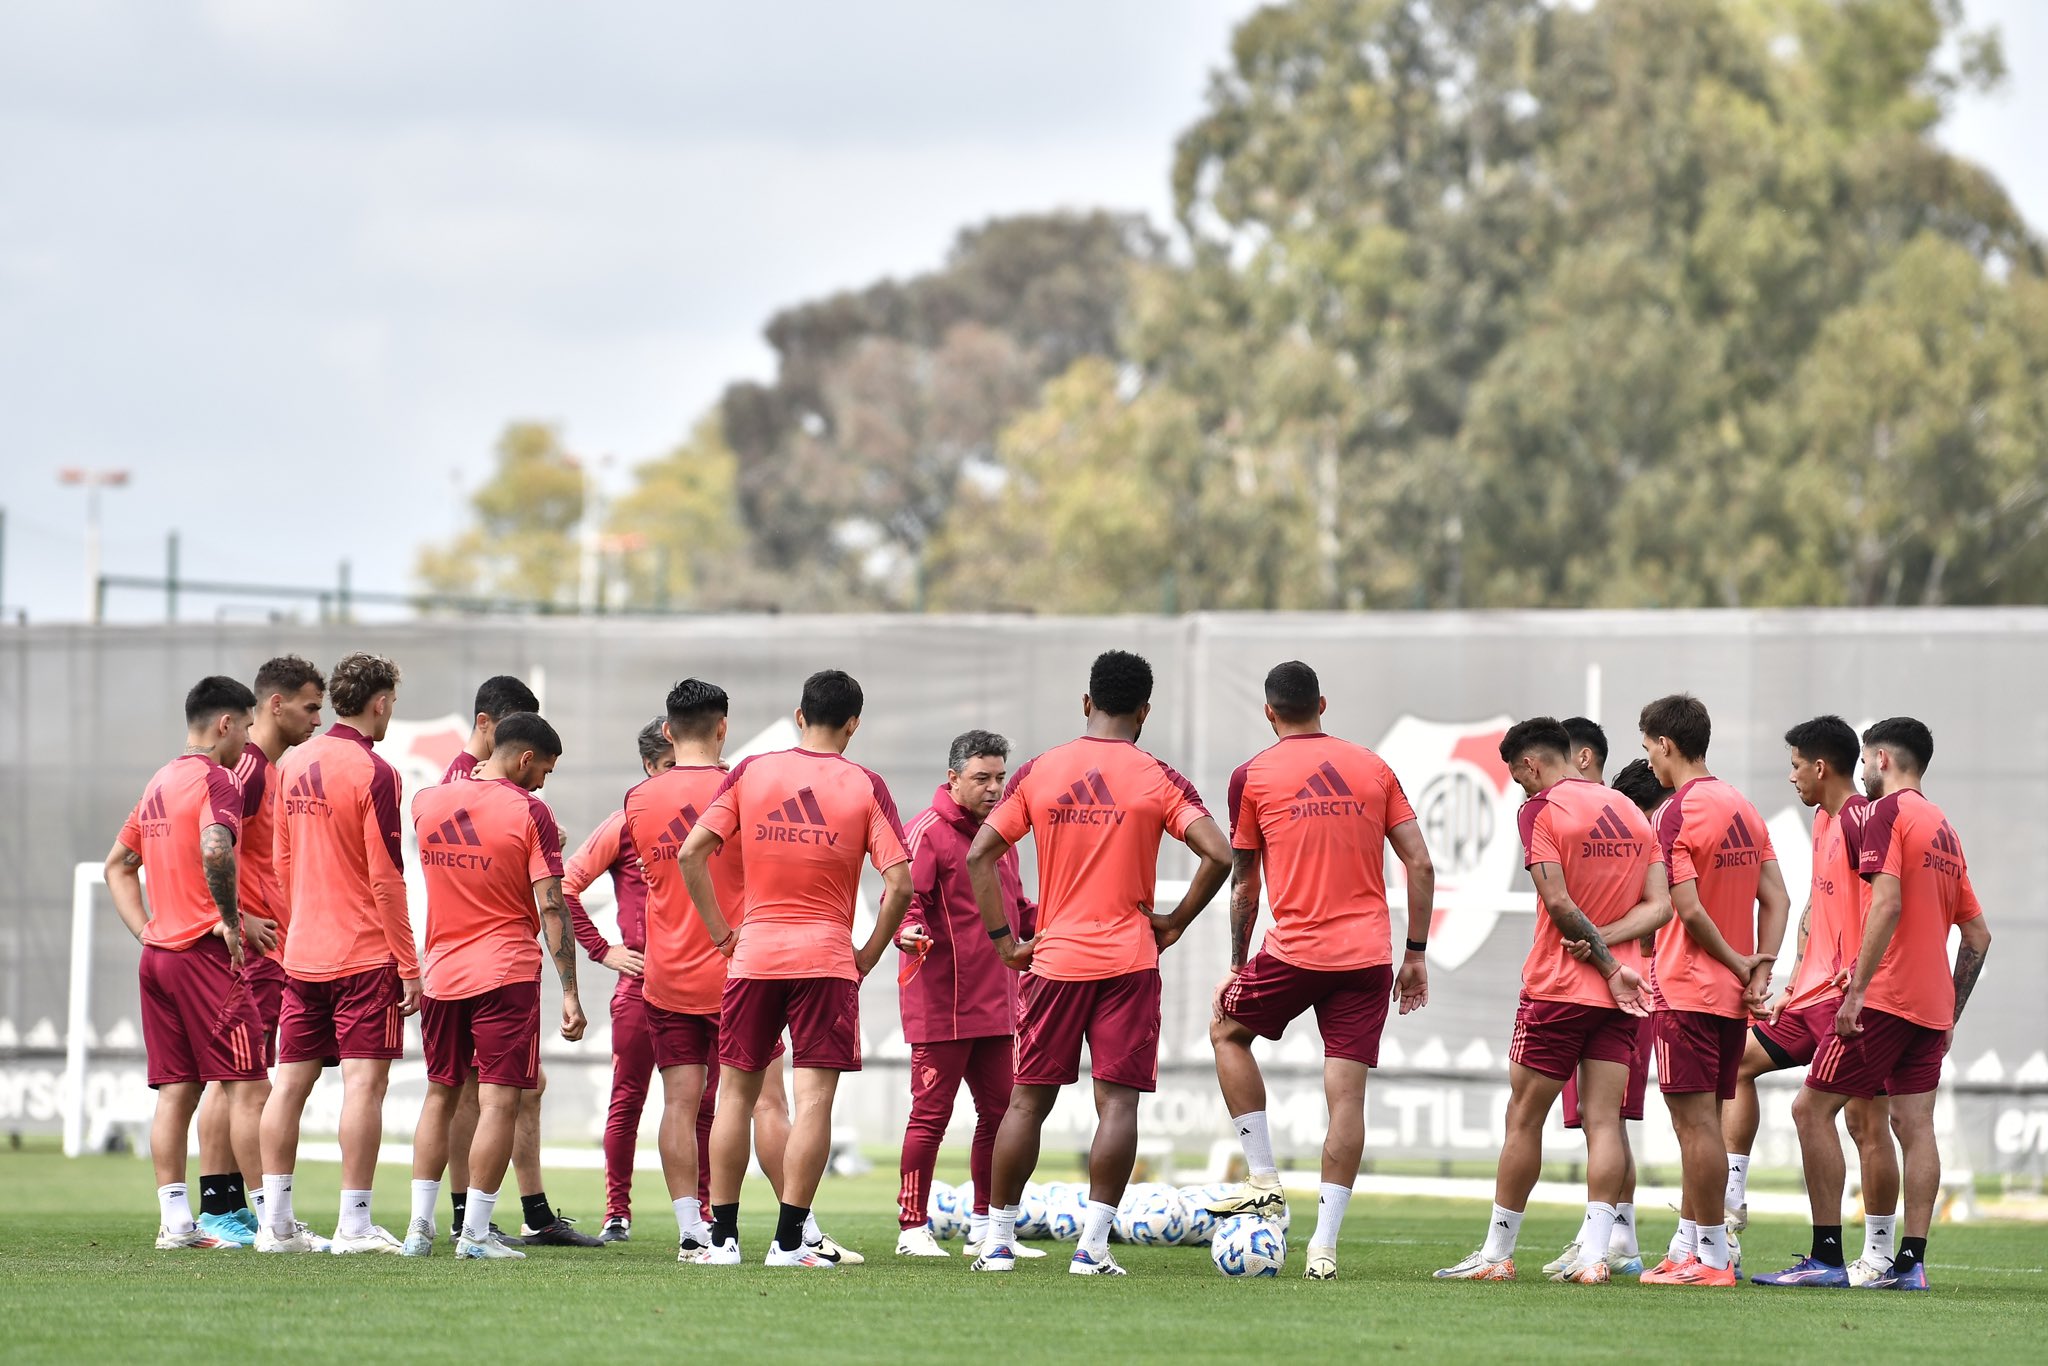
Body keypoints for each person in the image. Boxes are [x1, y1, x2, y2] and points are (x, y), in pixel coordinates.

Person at [967, 649, 1232, 1276]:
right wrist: (1174, 921)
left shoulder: (1041, 771)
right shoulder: (1156, 776)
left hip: (1054, 961)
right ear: (1144, 711)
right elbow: (1219, 854)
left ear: (1087, 703)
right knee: (1117, 1106)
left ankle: (998, 1242)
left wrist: (1006, 942)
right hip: (1128, 961)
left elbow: (981, 854)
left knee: (1026, 1105)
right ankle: (1092, 1249)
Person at [1205, 661, 1434, 1281]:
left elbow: (1245, 882)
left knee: (1227, 1031)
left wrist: (1235, 966)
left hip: (1295, 952)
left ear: (1270, 712)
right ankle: (1324, 1249)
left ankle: (1265, 1181)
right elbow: (1420, 863)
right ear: (1323, 704)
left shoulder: (1251, 775)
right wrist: (1415, 953)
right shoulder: (1373, 767)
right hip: (1367, 957)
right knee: (1347, 1098)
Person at [680, 669, 913, 1267]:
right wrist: (868, 952)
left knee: (733, 1097)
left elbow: (692, 853)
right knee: (812, 1105)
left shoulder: (753, 771)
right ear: (854, 724)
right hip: (827, 960)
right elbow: (900, 882)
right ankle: (789, 1244)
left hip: (754, 956)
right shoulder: (865, 785)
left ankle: (723, 1241)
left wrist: (722, 934)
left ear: (799, 715)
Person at [1434, 718, 1669, 1283]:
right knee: (1606, 1123)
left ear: (1531, 765)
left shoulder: (1541, 810)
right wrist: (1614, 957)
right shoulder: (1633, 812)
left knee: (1523, 1117)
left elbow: (1560, 903)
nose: (1520, 787)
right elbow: (1659, 907)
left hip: (1559, 990)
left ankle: (1496, 1254)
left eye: (1518, 776)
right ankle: (1593, 1256)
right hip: (1622, 995)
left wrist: (1601, 961)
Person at [1789, 717, 1991, 1292]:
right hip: (1930, 1006)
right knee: (1913, 1125)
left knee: (1810, 1111)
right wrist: (1949, 1012)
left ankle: (1826, 1257)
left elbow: (1887, 905)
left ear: (1880, 759)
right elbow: (1978, 936)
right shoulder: (1945, 829)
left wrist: (1855, 993)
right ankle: (1911, 1264)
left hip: (1883, 999)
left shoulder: (1886, 813)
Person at [402, 711, 584, 1259]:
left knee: (439, 1096)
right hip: (505, 972)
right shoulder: (530, 812)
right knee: (500, 1100)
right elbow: (551, 905)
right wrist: (571, 991)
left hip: (441, 972)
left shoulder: (427, 802)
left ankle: (418, 1229)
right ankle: (476, 1235)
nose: (543, 782)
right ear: (525, 758)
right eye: (544, 770)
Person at [258, 653, 415, 1254]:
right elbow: (386, 879)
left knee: (287, 1086)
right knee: (363, 1089)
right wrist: (410, 965)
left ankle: (275, 1226)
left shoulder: (292, 760)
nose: (391, 713)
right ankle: (353, 1224)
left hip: (304, 954)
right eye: (393, 703)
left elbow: (282, 862)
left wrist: (301, 929)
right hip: (365, 955)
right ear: (379, 703)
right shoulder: (377, 772)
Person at [105, 675, 265, 1249]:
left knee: (178, 1092)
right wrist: (228, 917)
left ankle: (176, 1223)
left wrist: (146, 930)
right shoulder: (216, 778)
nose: (248, 740)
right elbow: (216, 846)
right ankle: (276, 1223)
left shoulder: (160, 781)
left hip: (159, 958)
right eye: (246, 727)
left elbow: (118, 864)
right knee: (249, 1089)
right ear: (226, 724)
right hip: (201, 954)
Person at [1636, 694, 1790, 1287]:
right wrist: (1759, 969)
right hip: (1728, 999)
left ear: (1666, 745)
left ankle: (1712, 1260)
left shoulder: (1674, 812)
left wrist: (1735, 961)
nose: (1647, 759)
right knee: (1702, 1125)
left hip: (1687, 990)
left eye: (1648, 747)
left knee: (1695, 1127)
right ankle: (1694, 1251)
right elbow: (1777, 898)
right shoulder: (1743, 806)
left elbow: (1688, 910)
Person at [440, 677, 597, 1247]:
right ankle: (467, 1219)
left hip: (455, 961)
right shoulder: (462, 784)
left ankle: (528, 1212)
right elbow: (542, 896)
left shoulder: (504, 798)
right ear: (489, 726)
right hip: (491, 963)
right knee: (474, 1093)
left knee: (524, 1088)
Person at [1748, 716, 1902, 1287]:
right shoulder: (1823, 820)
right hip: (1815, 995)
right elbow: (1816, 907)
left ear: (1819, 766)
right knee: (1738, 1063)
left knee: (1858, 1120)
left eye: (1794, 765)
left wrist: (1860, 984)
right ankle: (1730, 1214)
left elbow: (1888, 906)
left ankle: (1850, 1256)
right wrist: (1791, 981)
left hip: (1858, 1001)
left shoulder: (1864, 820)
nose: (1790, 777)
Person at [191, 655, 325, 1244]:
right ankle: (225, 1208)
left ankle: (226, 1205)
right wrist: (238, 920)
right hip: (249, 949)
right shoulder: (244, 770)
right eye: (310, 707)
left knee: (236, 1077)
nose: (317, 720)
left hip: (264, 946)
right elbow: (211, 848)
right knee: (239, 1080)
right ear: (275, 705)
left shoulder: (265, 768)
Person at [892, 730, 1041, 1260]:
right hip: (943, 1001)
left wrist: (1056, 924)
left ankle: (986, 1225)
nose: (995, 788)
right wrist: (906, 931)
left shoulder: (1003, 838)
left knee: (1001, 1114)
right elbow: (905, 900)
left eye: (1001, 777)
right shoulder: (926, 832)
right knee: (930, 1116)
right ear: (953, 779)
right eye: (982, 778)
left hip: (1000, 1001)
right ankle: (912, 1227)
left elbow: (1019, 909)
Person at [1544, 738, 1662, 1279]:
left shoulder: (1637, 831)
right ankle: (1615, 1239)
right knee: (1605, 1123)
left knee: (1602, 1121)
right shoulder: (1639, 833)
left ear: (1582, 758)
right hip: (1629, 986)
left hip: (1618, 987)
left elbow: (1661, 912)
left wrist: (1596, 944)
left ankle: (1619, 1240)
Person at [565, 718, 671, 1243]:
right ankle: (616, 1212)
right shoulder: (626, 821)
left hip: (705, 982)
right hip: (642, 984)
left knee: (703, 1102)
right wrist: (603, 950)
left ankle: (706, 1215)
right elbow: (564, 888)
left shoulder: (717, 815)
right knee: (628, 1098)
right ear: (650, 767)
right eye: (670, 766)